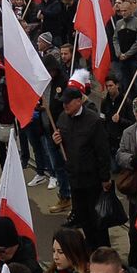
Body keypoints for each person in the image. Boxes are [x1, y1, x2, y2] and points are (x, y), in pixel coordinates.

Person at [52, 79, 113, 244]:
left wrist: (105, 178)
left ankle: (103, 249)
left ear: (79, 101)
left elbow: (103, 151)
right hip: (75, 178)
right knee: (83, 218)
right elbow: (63, 147)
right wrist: (57, 142)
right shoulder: (63, 118)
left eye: (68, 102)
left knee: (98, 220)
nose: (65, 106)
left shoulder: (93, 121)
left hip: (92, 180)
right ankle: (91, 248)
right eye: (63, 102)